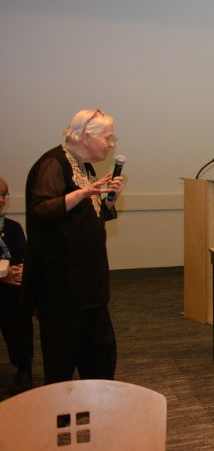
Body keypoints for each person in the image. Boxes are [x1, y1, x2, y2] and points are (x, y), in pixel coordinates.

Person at [23, 109, 124, 384]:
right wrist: (83, 193)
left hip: (88, 283)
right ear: (84, 136)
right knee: (62, 357)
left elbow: (85, 219)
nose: (111, 144)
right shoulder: (53, 163)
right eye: (107, 137)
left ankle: (97, 408)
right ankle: (61, 420)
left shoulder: (83, 166)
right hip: (61, 286)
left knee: (100, 352)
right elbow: (41, 210)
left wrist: (109, 200)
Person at [0, 177, 33, 395]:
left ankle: (24, 368)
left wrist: (18, 271)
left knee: (18, 311)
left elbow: (22, 256)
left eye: (4, 195)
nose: (2, 200)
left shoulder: (12, 227)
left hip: (10, 287)